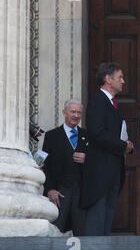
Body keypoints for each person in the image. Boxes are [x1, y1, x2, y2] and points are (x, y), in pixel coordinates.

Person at [80, 62, 134, 236]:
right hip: (100, 171)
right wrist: (122, 145)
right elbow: (97, 133)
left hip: (112, 170)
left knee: (107, 215)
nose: (123, 81)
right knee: (98, 215)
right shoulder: (98, 101)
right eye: (120, 77)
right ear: (108, 79)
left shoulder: (112, 104)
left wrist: (127, 145)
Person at [42, 99, 88, 236]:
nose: (76, 115)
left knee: (82, 234)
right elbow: (45, 166)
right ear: (64, 113)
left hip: (81, 195)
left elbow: (97, 164)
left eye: (79, 112)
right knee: (56, 232)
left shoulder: (88, 136)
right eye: (72, 111)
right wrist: (50, 189)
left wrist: (88, 159)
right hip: (59, 194)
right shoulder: (51, 136)